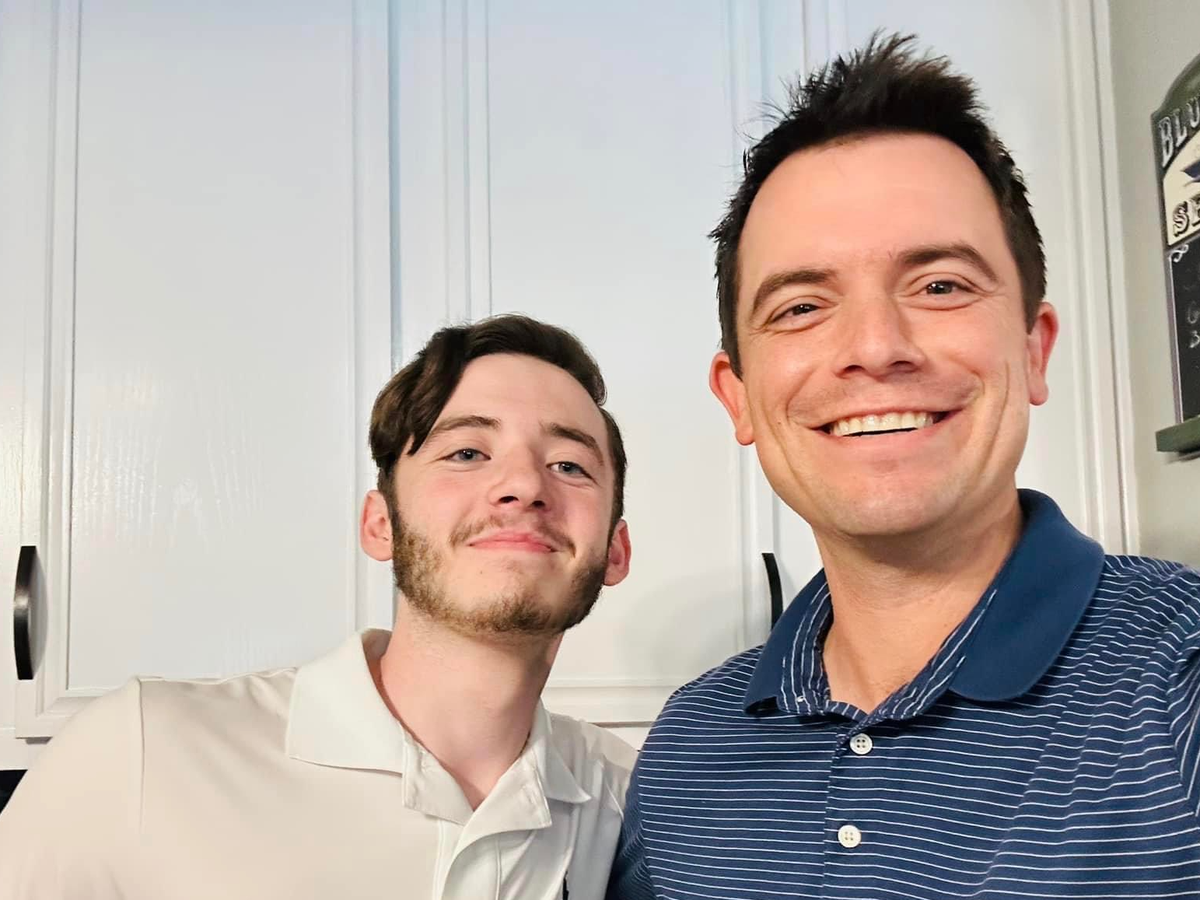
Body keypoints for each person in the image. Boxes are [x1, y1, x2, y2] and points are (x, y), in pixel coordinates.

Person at [608, 33, 1200, 899]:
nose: (876, 346)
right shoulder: (688, 747)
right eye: (801, 306)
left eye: (940, 286)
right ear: (739, 397)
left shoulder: (1181, 677)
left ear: (1033, 349)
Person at [0, 314, 636, 900]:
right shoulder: (138, 750)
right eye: (466, 453)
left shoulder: (633, 800)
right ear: (380, 525)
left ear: (614, 549)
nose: (524, 485)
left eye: (569, 464)